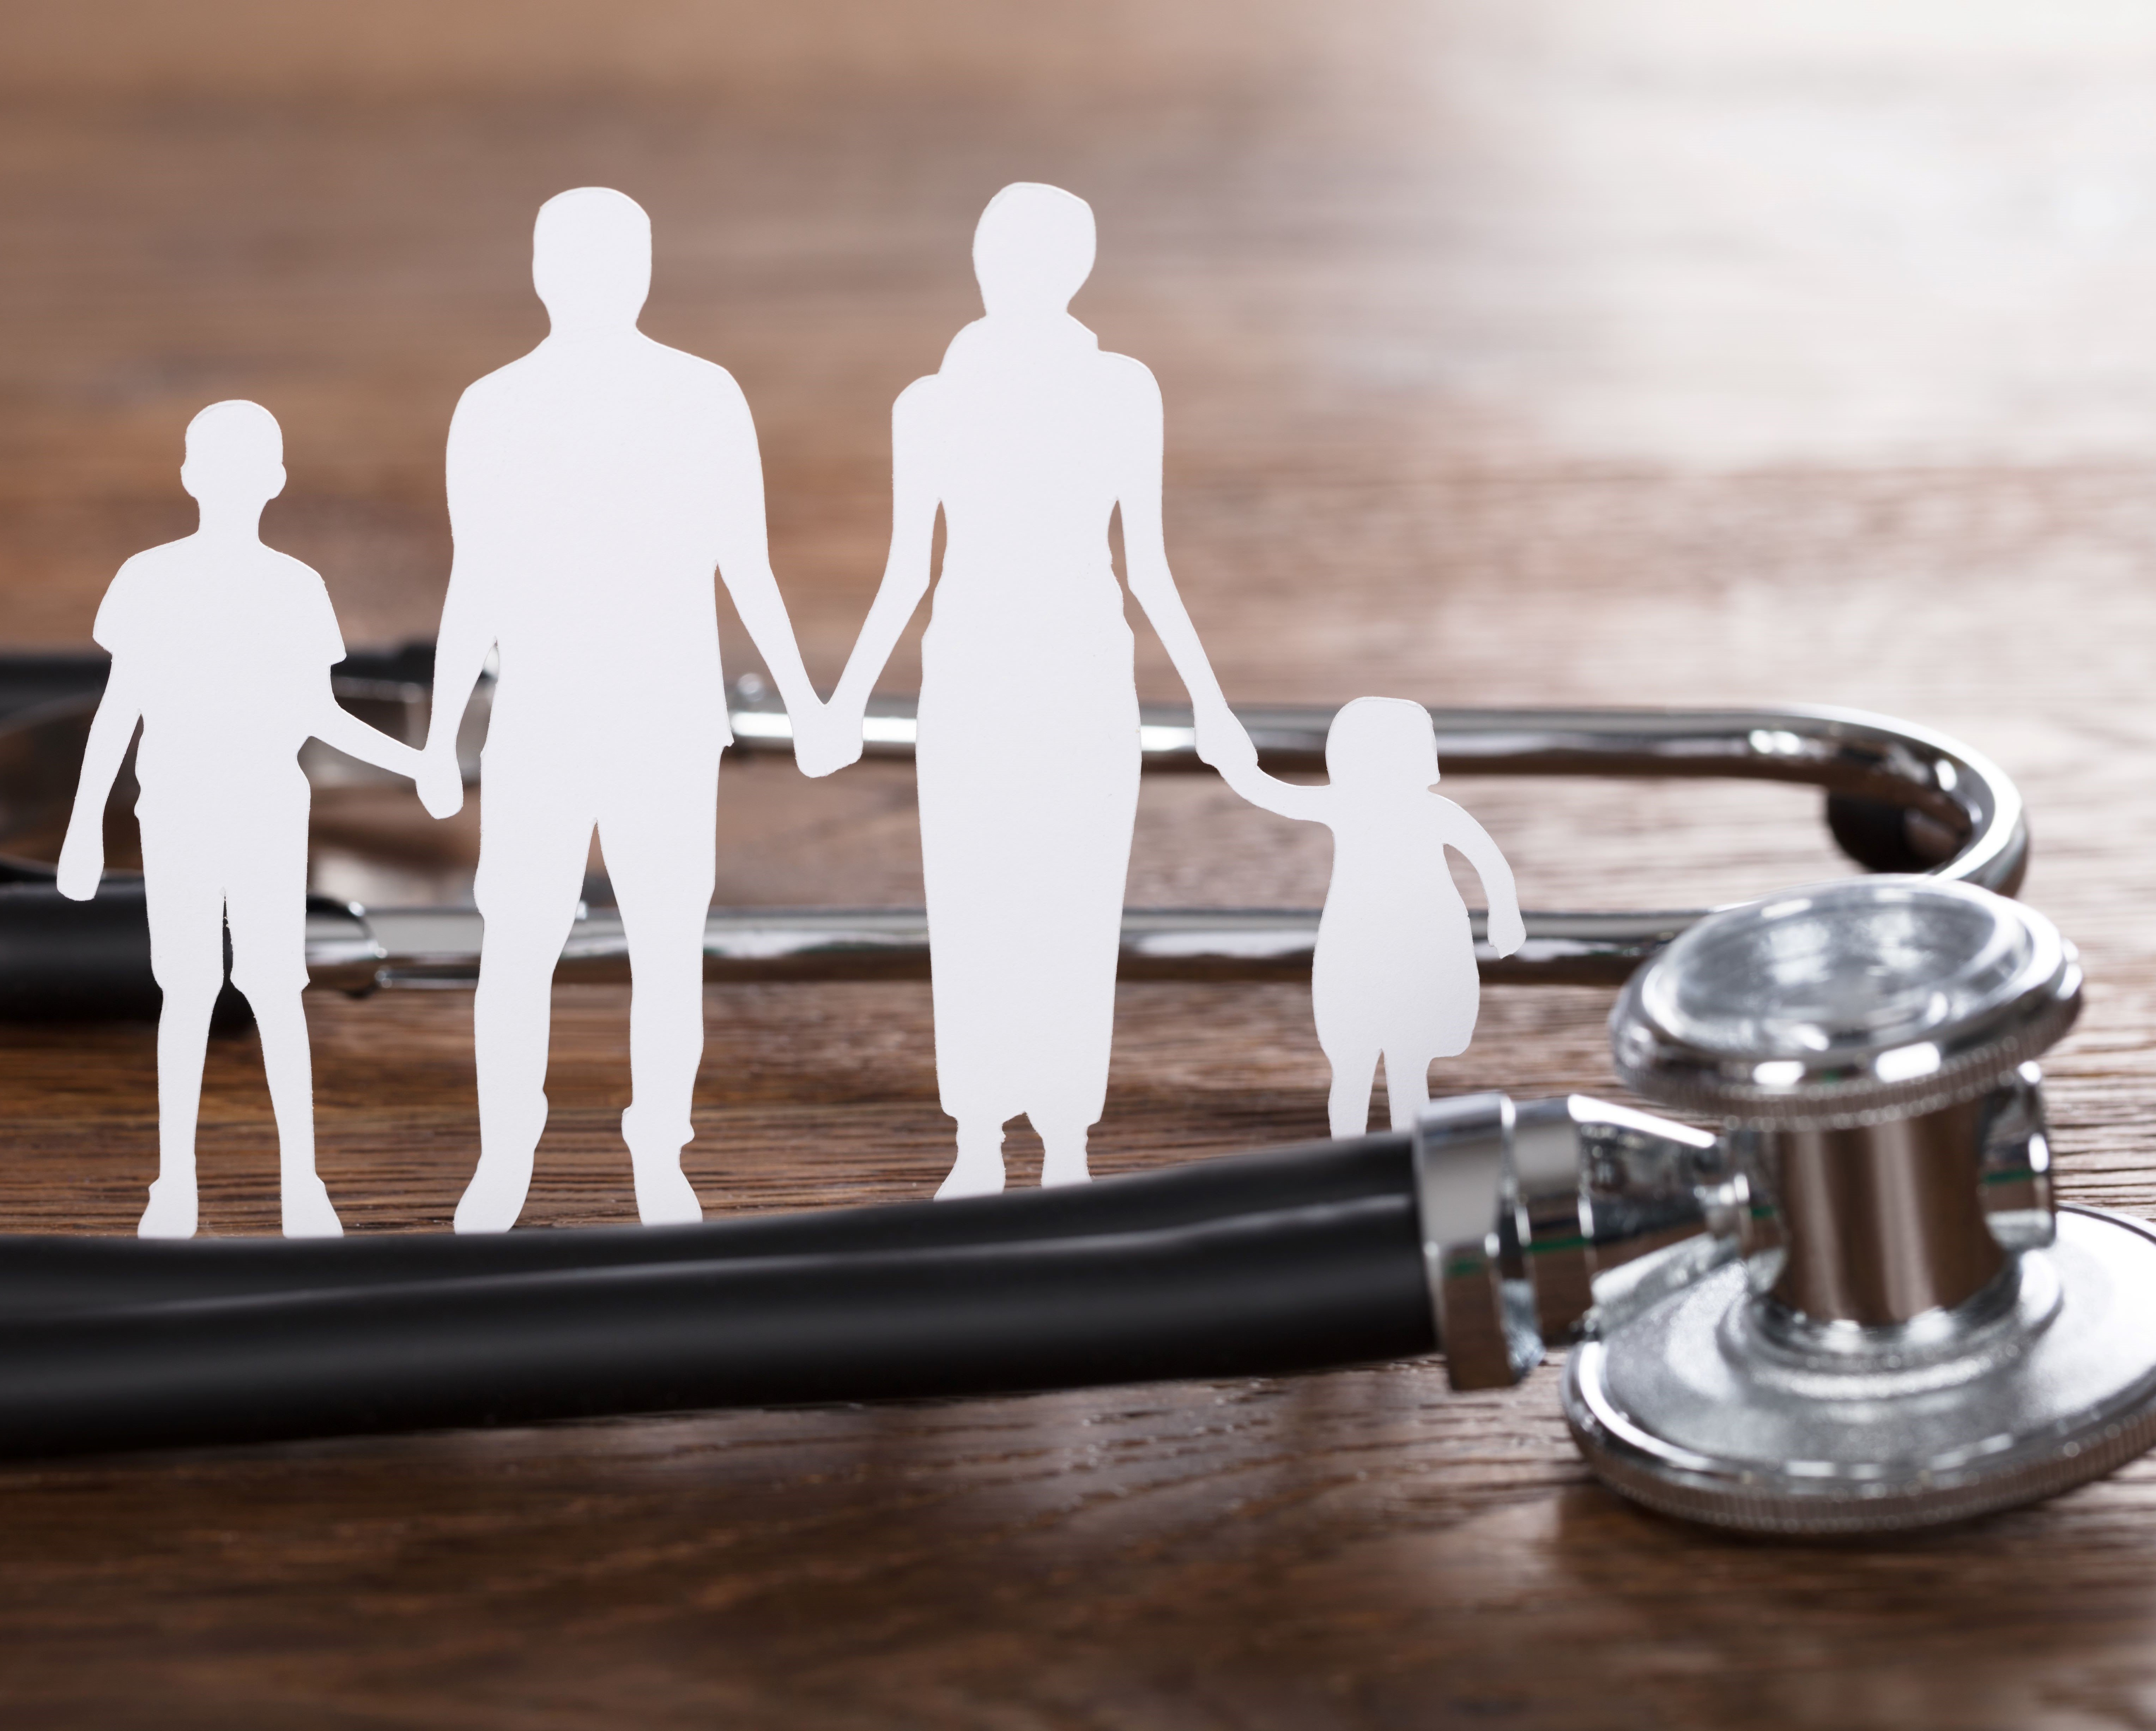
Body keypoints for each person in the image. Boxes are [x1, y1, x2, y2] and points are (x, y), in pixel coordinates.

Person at [812, 182, 1254, 1198]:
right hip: (977, 674)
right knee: (985, 902)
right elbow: (905, 573)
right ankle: (982, 1135)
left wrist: (1210, 701)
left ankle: (1058, 1138)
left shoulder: (1115, 391)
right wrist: (843, 703)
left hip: (1071, 675)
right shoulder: (931, 404)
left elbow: (1145, 563)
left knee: (1062, 901)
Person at [417, 186, 836, 1233]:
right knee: (518, 938)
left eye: (620, 259)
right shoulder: (495, 406)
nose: (603, 279)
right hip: (545, 716)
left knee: (664, 942)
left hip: (663, 716)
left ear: (646, 271)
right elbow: (476, 580)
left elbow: (746, 563)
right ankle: (506, 1152)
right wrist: (436, 734)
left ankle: (661, 1152)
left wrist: (804, 701)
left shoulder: (703, 398)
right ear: (543, 272)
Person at [55, 400, 425, 1238]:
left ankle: (303, 1182)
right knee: (188, 994)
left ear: (274, 483)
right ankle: (174, 1184)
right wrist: (83, 828)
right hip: (180, 810)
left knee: (274, 992)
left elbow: (318, 715)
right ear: (190, 478)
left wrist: (417, 765)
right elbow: (121, 710)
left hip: (264, 812)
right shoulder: (149, 580)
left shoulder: (296, 589)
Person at [1213, 696, 1525, 1137]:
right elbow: (1268, 792)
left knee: (1403, 1062)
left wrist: (1505, 914)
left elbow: (1489, 862)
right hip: (1358, 948)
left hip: (1415, 945)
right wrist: (1233, 762)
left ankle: (1400, 1150)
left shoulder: (1427, 811)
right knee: (1355, 1063)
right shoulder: (1351, 805)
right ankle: (1351, 1153)